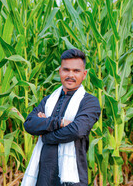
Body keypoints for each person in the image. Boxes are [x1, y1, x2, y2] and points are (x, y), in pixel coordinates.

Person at [22, 49, 101, 186]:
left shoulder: (89, 102)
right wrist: (60, 122)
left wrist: (45, 135)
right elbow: (29, 124)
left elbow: (77, 130)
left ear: (84, 74)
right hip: (43, 176)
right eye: (66, 70)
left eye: (76, 71)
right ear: (60, 71)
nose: (70, 75)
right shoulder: (49, 100)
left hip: (72, 178)